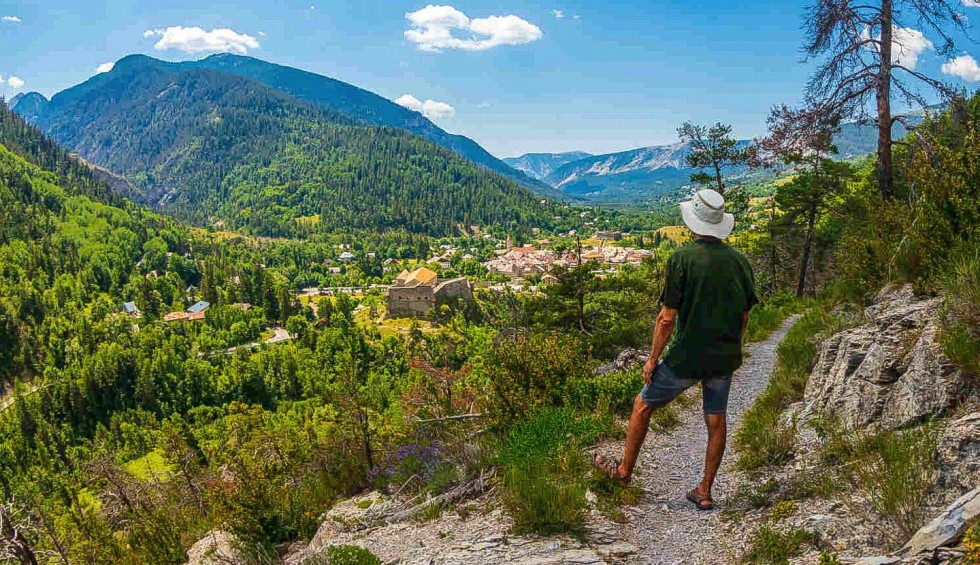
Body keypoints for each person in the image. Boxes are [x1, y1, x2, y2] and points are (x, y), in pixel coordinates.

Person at [593, 188, 758, 511]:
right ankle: (705, 491)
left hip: (686, 356)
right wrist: (733, 347)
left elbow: (666, 318)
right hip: (724, 355)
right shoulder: (739, 261)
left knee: (642, 405)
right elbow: (744, 316)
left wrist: (653, 359)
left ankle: (624, 472)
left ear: (694, 221)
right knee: (716, 419)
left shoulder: (681, 258)